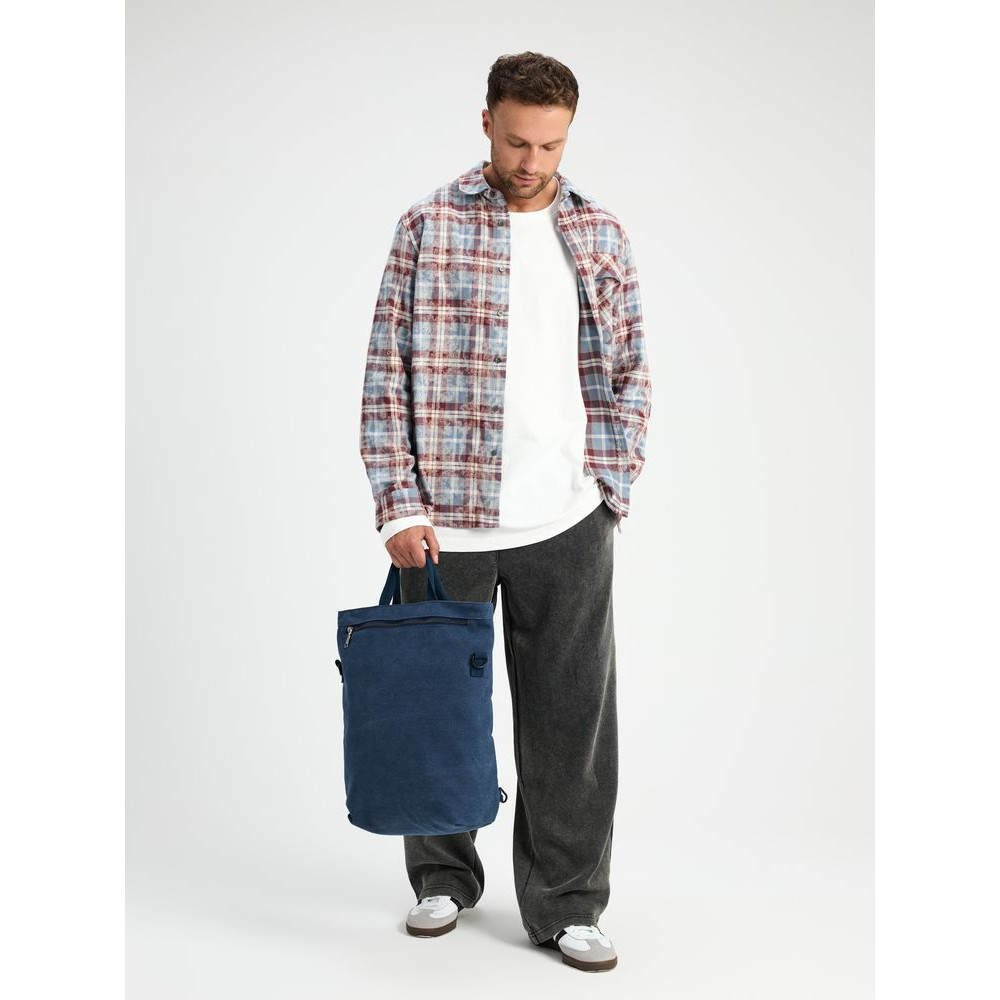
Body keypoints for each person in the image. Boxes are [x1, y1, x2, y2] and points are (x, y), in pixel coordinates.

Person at [358, 50, 652, 973]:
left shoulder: (599, 234)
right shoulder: (428, 226)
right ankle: (442, 878)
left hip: (566, 520)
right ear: (486, 120)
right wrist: (396, 505)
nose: (532, 161)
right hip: (444, 523)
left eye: (550, 145)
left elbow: (630, 371)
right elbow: (384, 373)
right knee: (437, 711)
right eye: (518, 140)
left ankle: (568, 903)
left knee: (571, 724)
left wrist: (610, 488)